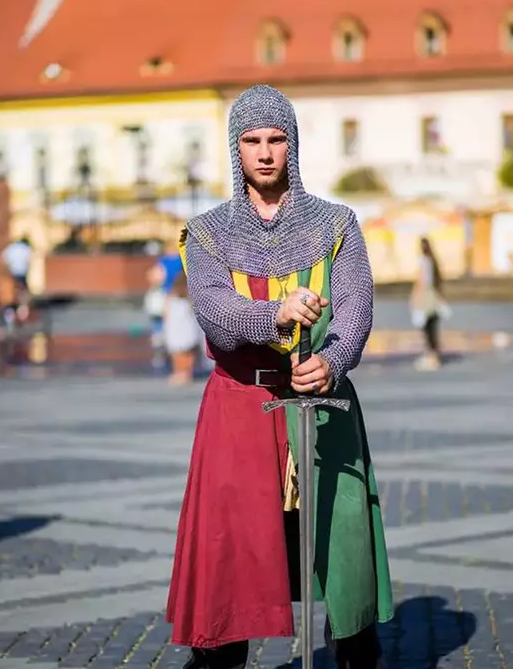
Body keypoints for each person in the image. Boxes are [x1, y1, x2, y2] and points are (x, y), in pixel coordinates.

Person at [166, 85, 393, 669]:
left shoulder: (336, 224)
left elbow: (355, 307)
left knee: (341, 547)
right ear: (235, 148)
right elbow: (215, 313)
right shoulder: (210, 231)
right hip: (241, 404)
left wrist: (334, 360)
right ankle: (220, 658)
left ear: (291, 145)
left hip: (323, 403)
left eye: (276, 139)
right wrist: (276, 312)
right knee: (230, 553)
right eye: (252, 141)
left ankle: (356, 654)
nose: (265, 152)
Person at [410, 236, 445, 371]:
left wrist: (414, 297)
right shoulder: (433, 261)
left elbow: (421, 280)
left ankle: (431, 357)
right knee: (433, 327)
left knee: (426, 327)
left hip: (425, 295)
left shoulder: (423, 261)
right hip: (433, 295)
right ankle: (434, 356)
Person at [164, 272, 200, 385]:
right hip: (189, 328)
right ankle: (187, 374)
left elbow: (165, 313)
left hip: (175, 329)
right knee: (189, 352)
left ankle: (178, 372)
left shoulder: (171, 297)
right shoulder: (191, 297)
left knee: (177, 353)